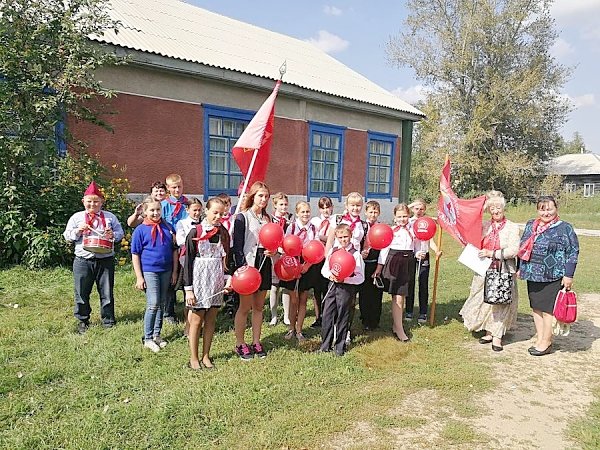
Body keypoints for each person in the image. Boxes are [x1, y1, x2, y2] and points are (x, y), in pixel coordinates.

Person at [518, 195, 579, 356]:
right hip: (532, 273)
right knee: (536, 307)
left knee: (548, 310)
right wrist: (520, 267)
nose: (546, 213)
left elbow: (572, 252)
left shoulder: (565, 228)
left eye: (549, 209)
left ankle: (546, 342)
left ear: (556, 208)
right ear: (537, 210)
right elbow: (522, 246)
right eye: (542, 209)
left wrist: (569, 275)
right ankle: (541, 337)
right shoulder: (531, 225)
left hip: (553, 275)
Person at [459, 191, 520, 352]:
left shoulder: (513, 227)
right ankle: (488, 331)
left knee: (501, 301)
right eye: (492, 208)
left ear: (503, 208)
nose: (495, 211)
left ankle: (497, 336)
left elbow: (514, 250)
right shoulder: (484, 226)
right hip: (484, 270)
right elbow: (473, 239)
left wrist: (493, 253)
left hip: (504, 270)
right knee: (483, 299)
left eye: (498, 208)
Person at [63, 181, 124, 334]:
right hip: (83, 260)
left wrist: (113, 235)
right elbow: (67, 236)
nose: (92, 204)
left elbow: (120, 234)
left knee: (107, 291)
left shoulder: (110, 217)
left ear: (101, 202)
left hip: (105, 259)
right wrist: (78, 231)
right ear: (83, 201)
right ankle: (83, 320)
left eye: (96, 201)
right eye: (89, 201)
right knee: (81, 291)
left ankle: (108, 320)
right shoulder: (77, 217)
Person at [182, 198, 232, 369]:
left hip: (216, 278)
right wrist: (189, 290)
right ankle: (194, 357)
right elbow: (188, 261)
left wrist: (227, 281)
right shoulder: (195, 232)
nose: (218, 216)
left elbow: (227, 260)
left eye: (221, 213)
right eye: (215, 212)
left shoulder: (223, 233)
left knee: (211, 318)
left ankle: (206, 355)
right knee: (197, 319)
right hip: (199, 278)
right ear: (207, 211)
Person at [231, 181, 274, 360]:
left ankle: (256, 341)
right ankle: (240, 343)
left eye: (266, 196)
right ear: (252, 197)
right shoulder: (242, 217)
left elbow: (274, 240)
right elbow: (237, 247)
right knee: (245, 306)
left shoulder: (268, 219)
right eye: (260, 196)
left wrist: (273, 250)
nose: (263, 199)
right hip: (248, 264)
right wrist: (242, 268)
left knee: (258, 306)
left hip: (264, 262)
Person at [130, 197, 178, 352]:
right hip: (150, 271)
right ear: (145, 212)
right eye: (152, 210)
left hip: (166, 270)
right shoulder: (140, 230)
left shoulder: (168, 227)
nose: (156, 213)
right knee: (153, 303)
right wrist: (139, 276)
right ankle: (148, 337)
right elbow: (135, 254)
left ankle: (157, 334)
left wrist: (175, 271)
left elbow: (174, 250)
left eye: (158, 209)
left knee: (162, 303)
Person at [325, 192, 367, 344]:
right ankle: (331, 330)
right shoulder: (338, 219)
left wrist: (364, 252)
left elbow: (365, 242)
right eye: (352, 205)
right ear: (347, 206)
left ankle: (345, 330)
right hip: (337, 260)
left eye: (358, 205)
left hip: (353, 261)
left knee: (349, 301)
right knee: (333, 300)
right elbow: (330, 240)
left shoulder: (363, 224)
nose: (355, 208)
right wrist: (327, 259)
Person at [374, 203, 420, 342]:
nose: (402, 219)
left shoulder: (413, 230)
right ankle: (399, 328)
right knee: (397, 295)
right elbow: (384, 249)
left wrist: (418, 254)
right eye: (399, 216)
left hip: (408, 262)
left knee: (402, 295)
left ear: (409, 216)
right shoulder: (391, 231)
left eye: (405, 216)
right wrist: (379, 268)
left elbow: (417, 245)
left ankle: (397, 324)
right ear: (394, 217)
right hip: (394, 261)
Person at [320, 223, 365, 356]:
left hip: (346, 288)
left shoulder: (355, 254)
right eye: (340, 237)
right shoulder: (333, 251)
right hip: (332, 286)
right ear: (336, 237)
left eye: (346, 237)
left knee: (343, 315)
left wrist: (345, 279)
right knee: (327, 314)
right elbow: (325, 269)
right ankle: (325, 345)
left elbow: (360, 277)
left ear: (351, 236)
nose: (343, 240)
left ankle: (340, 346)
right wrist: (331, 276)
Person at [281, 201, 318, 342]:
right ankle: (291, 327)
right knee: (293, 299)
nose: (305, 214)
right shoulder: (292, 227)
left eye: (307, 211)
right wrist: (294, 267)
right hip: (292, 264)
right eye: (302, 212)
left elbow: (315, 248)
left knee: (303, 299)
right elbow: (286, 246)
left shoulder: (313, 228)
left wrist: (306, 266)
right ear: (297, 213)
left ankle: (299, 330)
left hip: (307, 265)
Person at [406, 199, 441, 324]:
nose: (419, 211)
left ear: (425, 210)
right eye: (416, 208)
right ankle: (409, 311)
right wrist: (411, 205)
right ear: (412, 209)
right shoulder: (409, 222)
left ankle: (423, 312)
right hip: (411, 255)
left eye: (421, 209)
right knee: (410, 283)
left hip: (424, 255)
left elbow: (430, 240)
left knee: (423, 283)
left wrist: (436, 250)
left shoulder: (427, 222)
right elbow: (402, 209)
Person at [161, 173, 189, 324]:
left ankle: (188, 308)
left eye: (179, 186)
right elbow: (162, 221)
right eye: (174, 187)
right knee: (170, 278)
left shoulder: (187, 204)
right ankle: (168, 312)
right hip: (170, 244)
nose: (177, 190)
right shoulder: (164, 204)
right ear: (168, 188)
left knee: (186, 276)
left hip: (185, 245)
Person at [175, 197, 204, 337]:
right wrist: (194, 238)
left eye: (199, 210)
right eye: (194, 210)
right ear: (187, 210)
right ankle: (188, 325)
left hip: (202, 264)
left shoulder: (205, 224)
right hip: (187, 262)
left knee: (200, 295)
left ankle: (198, 324)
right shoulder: (182, 224)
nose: (197, 213)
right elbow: (181, 241)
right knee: (189, 295)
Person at [358, 200, 384, 331]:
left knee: (376, 292)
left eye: (375, 212)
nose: (373, 214)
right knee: (364, 292)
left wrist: (379, 267)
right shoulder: (361, 226)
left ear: (379, 213)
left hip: (376, 262)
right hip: (363, 263)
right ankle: (365, 318)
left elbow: (385, 248)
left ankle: (375, 319)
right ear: (366, 212)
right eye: (370, 212)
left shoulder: (381, 228)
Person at [308, 196, 333, 328]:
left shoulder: (335, 221)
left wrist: (323, 238)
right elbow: (313, 238)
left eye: (328, 207)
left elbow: (333, 238)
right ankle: (318, 317)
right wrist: (325, 237)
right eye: (323, 208)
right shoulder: (315, 221)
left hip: (329, 258)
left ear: (332, 207)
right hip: (316, 258)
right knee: (317, 289)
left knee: (328, 289)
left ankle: (328, 316)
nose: (326, 210)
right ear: (319, 209)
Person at [268, 192, 292, 326]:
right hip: (274, 254)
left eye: (285, 205)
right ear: (275, 205)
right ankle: (274, 315)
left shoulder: (291, 220)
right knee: (274, 285)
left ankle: (287, 316)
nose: (284, 207)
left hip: (286, 254)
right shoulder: (271, 220)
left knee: (286, 285)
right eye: (281, 205)